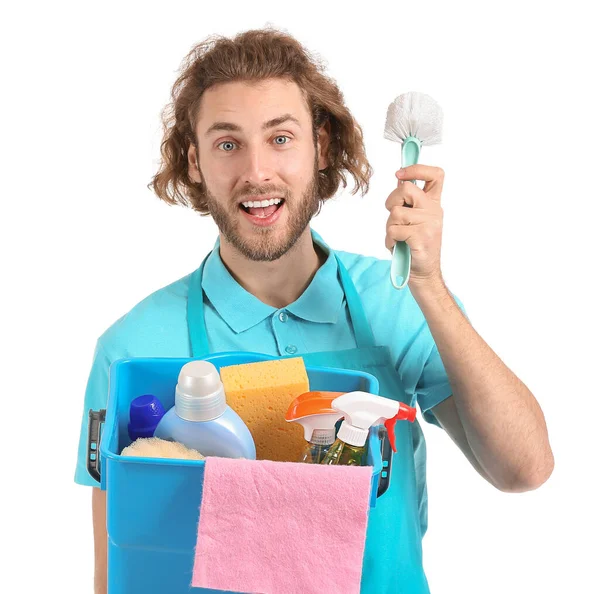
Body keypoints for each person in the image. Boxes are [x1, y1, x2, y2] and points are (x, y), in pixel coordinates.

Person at [74, 28, 554, 594]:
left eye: (281, 138)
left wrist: (430, 287)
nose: (257, 171)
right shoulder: (132, 347)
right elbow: (120, 573)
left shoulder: (397, 301)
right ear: (194, 161)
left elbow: (524, 469)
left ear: (321, 147)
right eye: (228, 143)